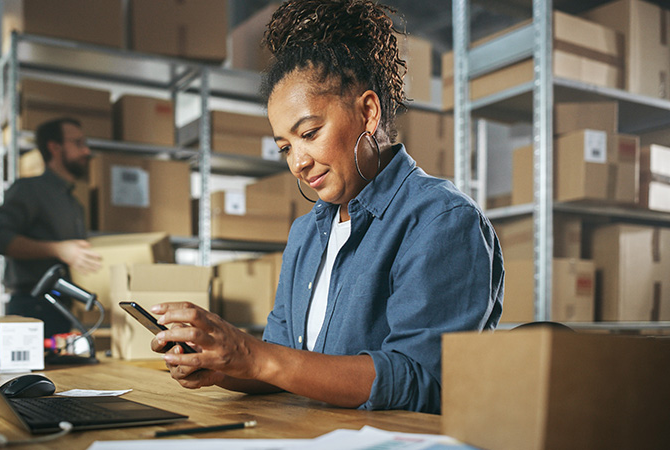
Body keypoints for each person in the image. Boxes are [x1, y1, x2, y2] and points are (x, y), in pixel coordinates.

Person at [150, 0, 504, 413]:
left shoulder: (441, 220)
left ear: (368, 112)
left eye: (310, 133)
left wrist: (253, 356)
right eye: (285, 147)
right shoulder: (306, 233)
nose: (297, 162)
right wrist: (223, 365)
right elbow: (286, 359)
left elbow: (422, 379)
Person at [0, 118, 102, 338]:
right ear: (54, 147)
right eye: (78, 143)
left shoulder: (74, 203)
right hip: (32, 306)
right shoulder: (28, 190)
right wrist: (59, 250)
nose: (86, 151)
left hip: (62, 307)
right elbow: (0, 238)